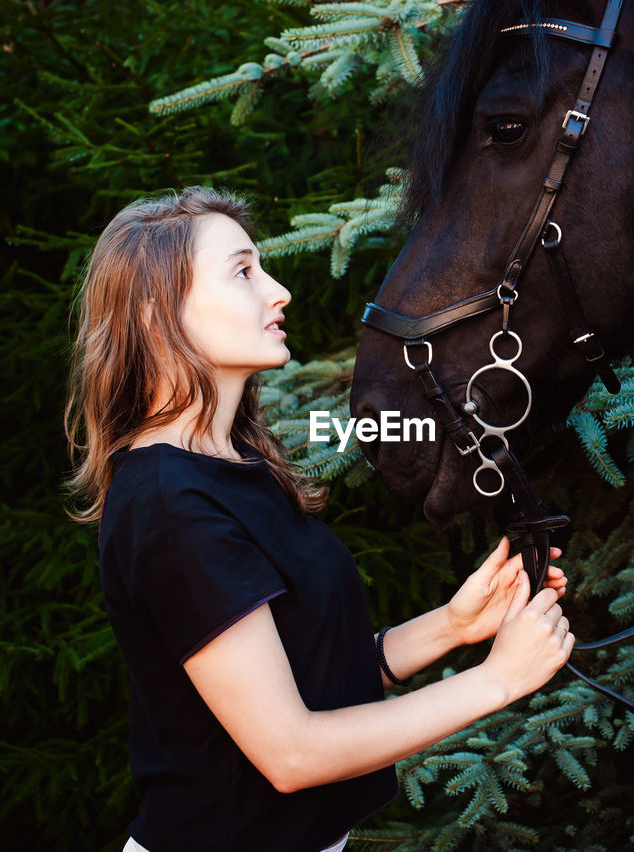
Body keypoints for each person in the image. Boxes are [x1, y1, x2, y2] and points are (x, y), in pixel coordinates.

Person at [64, 186, 575, 852]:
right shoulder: (169, 503)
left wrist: (452, 626)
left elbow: (308, 675)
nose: (279, 293)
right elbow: (291, 753)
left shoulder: (237, 465)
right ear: (157, 320)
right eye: (243, 272)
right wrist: (498, 679)